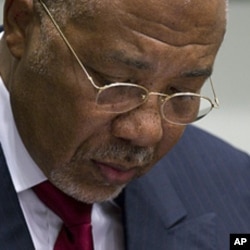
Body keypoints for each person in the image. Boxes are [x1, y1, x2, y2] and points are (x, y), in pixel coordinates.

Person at [1, 0, 250, 249]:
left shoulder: (237, 193)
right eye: (116, 84)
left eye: (181, 92)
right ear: (22, 23)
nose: (147, 132)